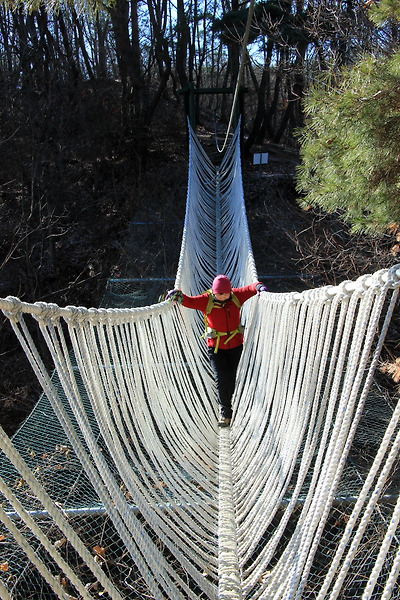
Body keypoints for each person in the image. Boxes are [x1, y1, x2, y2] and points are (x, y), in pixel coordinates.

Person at [166, 275, 268, 427]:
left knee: (231, 378)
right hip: (216, 348)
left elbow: (251, 288)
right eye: (219, 293)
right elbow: (190, 301)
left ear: (230, 291)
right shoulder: (206, 300)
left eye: (225, 293)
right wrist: (178, 295)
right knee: (221, 379)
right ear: (214, 292)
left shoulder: (236, 296)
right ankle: (225, 413)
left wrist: (259, 287)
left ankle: (230, 404)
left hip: (236, 346)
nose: (222, 296)